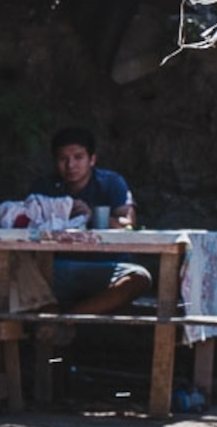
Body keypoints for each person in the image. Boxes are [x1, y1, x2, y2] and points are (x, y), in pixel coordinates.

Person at [35, 124, 150, 314]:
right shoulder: (44, 187)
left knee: (139, 278)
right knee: (20, 273)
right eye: (63, 159)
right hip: (58, 268)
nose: (70, 165)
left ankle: (65, 319)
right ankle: (50, 323)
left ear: (92, 159)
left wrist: (92, 216)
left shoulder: (111, 183)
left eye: (78, 157)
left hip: (106, 267)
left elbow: (129, 226)